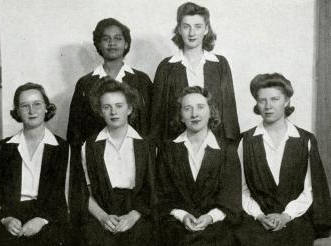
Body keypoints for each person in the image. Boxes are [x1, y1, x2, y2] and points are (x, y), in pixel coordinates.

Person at [0, 83, 87, 246]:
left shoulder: (64, 150)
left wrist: (43, 220)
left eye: (37, 104)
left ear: (46, 108)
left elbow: (73, 198)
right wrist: (5, 219)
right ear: (17, 112)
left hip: (49, 219)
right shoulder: (3, 149)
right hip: (11, 217)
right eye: (24, 106)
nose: (31, 110)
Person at [235, 73, 331, 245]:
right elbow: (241, 189)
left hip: (294, 218)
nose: (268, 106)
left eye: (274, 99)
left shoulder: (305, 140)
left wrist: (286, 216)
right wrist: (259, 215)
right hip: (256, 219)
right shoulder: (245, 140)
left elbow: (310, 189)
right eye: (262, 100)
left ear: (286, 101)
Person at [156, 86, 241, 245]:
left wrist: (210, 218)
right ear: (181, 116)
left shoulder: (227, 150)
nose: (194, 114)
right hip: (176, 226)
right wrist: (183, 216)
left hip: (216, 226)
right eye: (187, 109)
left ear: (211, 112)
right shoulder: (167, 149)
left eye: (200, 107)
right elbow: (161, 196)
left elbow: (231, 199)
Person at [150, 2, 239, 144]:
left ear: (206, 29)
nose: (192, 33)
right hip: (175, 147)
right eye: (186, 27)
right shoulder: (166, 67)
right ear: (179, 29)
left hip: (215, 146)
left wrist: (230, 149)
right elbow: (156, 119)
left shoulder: (220, 64)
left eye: (198, 26)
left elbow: (229, 113)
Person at [81, 77, 154, 245]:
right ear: (100, 111)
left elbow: (153, 190)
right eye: (107, 107)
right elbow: (84, 193)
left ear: (129, 109)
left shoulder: (146, 145)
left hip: (138, 211)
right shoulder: (90, 146)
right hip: (103, 210)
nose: (113, 112)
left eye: (119, 106)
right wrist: (102, 217)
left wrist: (134, 216)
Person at [67, 18, 153, 151]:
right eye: (106, 39)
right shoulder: (85, 83)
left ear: (126, 44)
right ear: (99, 45)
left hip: (136, 153)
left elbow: (150, 123)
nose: (112, 43)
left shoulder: (141, 80)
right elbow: (75, 131)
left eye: (118, 38)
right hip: (96, 155)